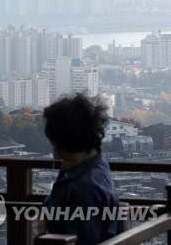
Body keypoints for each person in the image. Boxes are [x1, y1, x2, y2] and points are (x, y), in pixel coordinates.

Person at [37, 93, 121, 244]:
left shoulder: (83, 187)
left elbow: (80, 240)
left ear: (61, 139)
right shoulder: (90, 163)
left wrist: (40, 238)